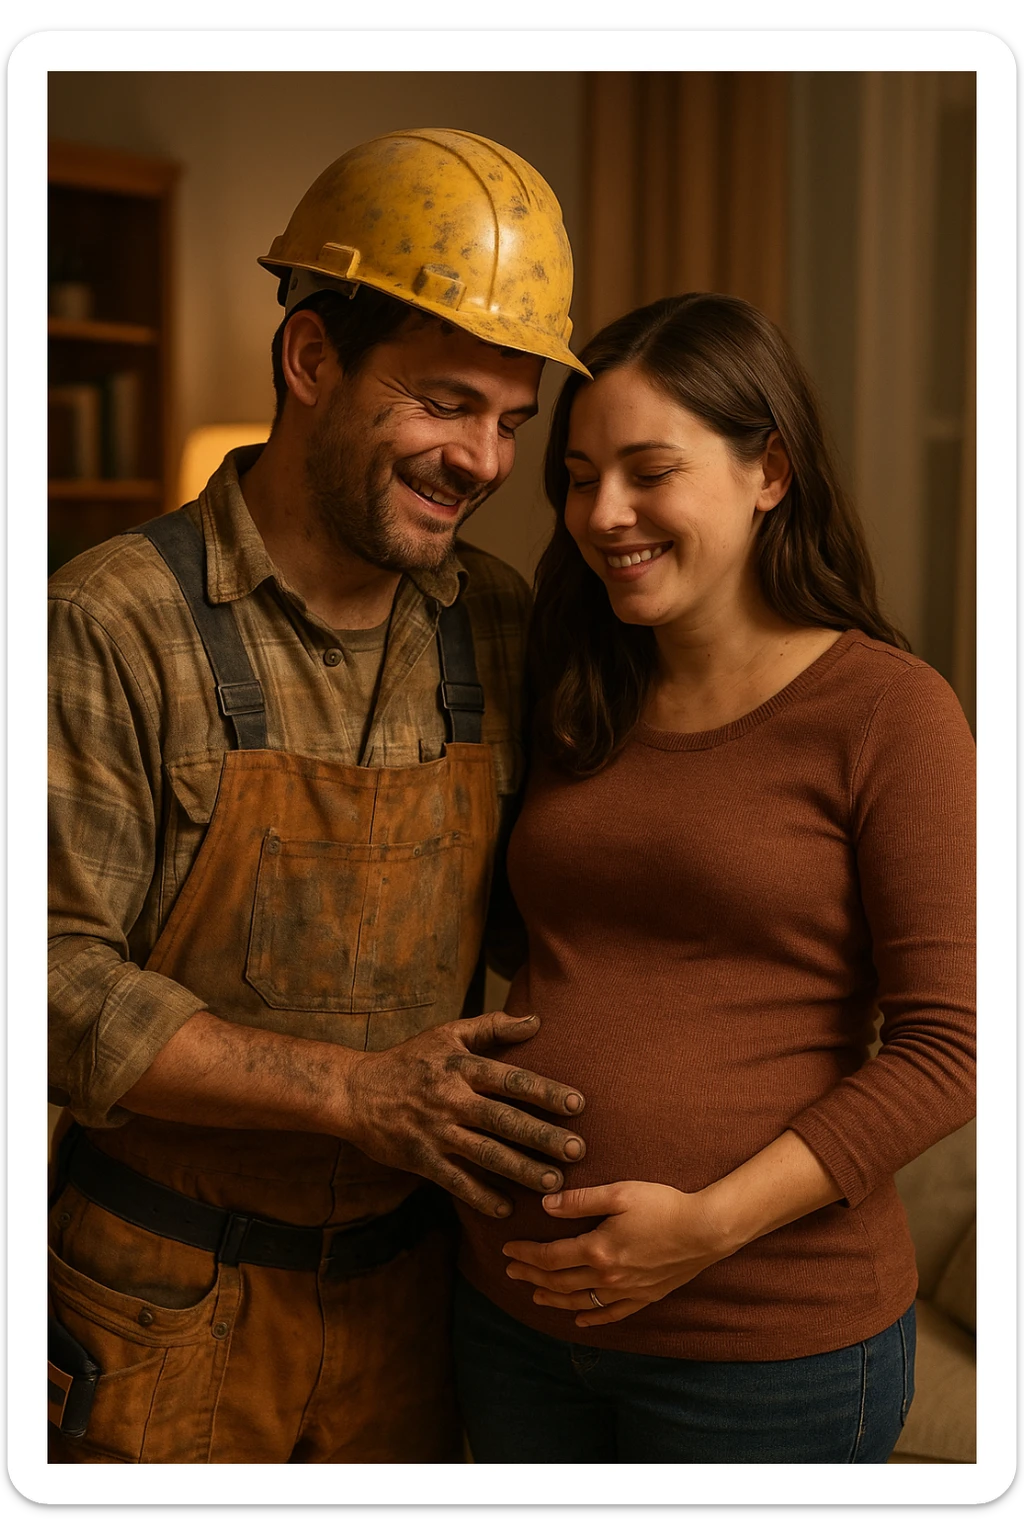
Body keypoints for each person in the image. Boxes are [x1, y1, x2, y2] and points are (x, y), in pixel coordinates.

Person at [46, 127, 593, 1465]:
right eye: (448, 402)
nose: (486, 461)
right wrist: (354, 1094)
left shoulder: (505, 626)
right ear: (309, 362)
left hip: (420, 1317)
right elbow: (45, 983)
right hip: (157, 1314)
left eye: (513, 421)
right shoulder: (112, 622)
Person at [453, 292, 976, 1464]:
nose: (604, 513)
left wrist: (703, 1228)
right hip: (511, 1317)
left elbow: (955, 1047)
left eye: (649, 471)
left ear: (768, 472)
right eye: (579, 476)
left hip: (765, 1347)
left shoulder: (891, 712)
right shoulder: (569, 686)